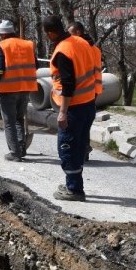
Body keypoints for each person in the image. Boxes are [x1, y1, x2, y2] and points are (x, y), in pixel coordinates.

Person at [43, 13, 97, 201]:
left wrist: (63, 113)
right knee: (79, 146)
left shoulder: (63, 51)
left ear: (50, 33)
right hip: (89, 103)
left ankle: (74, 190)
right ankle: (73, 184)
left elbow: (68, 84)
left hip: (74, 108)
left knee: (67, 148)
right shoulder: (81, 42)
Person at [0, 20, 37, 161]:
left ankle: (15, 153)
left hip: (8, 90)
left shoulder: (2, 46)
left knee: (9, 121)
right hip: (25, 88)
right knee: (19, 119)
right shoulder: (28, 45)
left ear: (2, 34)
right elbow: (36, 65)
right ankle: (21, 149)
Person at [68, 21, 103, 164]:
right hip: (93, 89)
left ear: (78, 32)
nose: (68, 36)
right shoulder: (94, 48)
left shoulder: (79, 48)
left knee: (78, 123)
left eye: (70, 33)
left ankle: (80, 151)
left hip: (82, 90)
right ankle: (84, 151)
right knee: (85, 123)